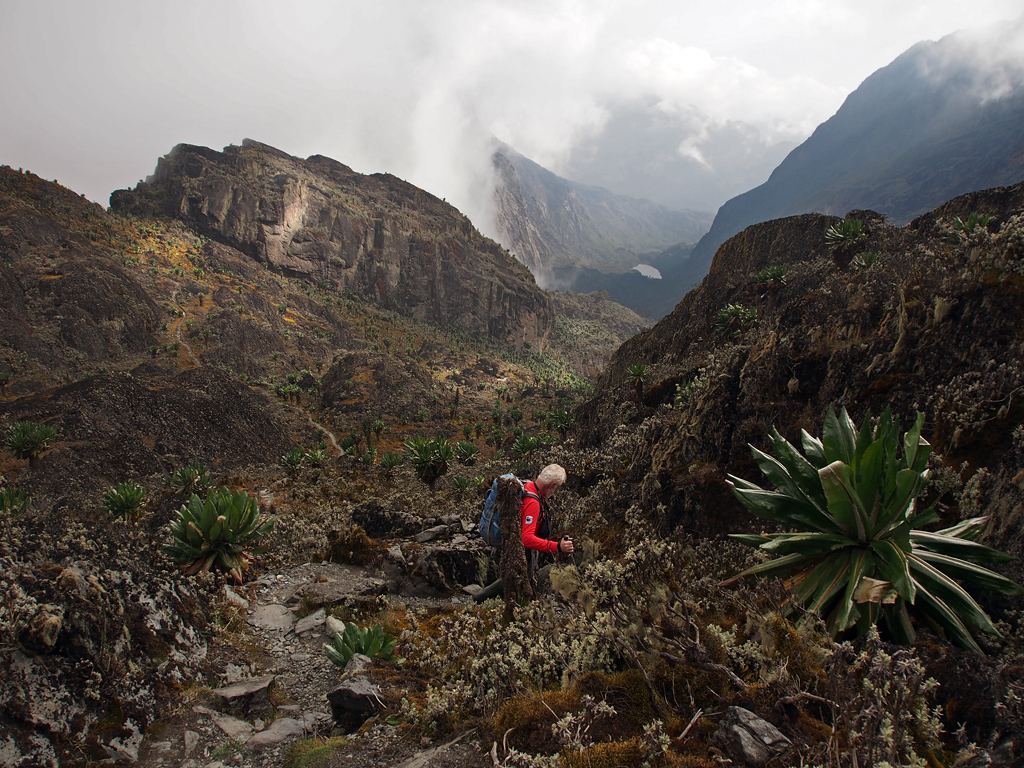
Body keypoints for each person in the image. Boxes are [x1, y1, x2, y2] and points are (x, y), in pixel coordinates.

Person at [473, 464, 573, 603]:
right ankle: (481, 598)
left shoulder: (529, 486)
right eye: (558, 486)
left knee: (518, 574)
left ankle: (495, 600)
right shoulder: (533, 503)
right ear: (553, 484)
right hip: (516, 543)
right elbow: (527, 539)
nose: (557, 491)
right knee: (518, 575)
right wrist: (558, 547)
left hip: (509, 535)